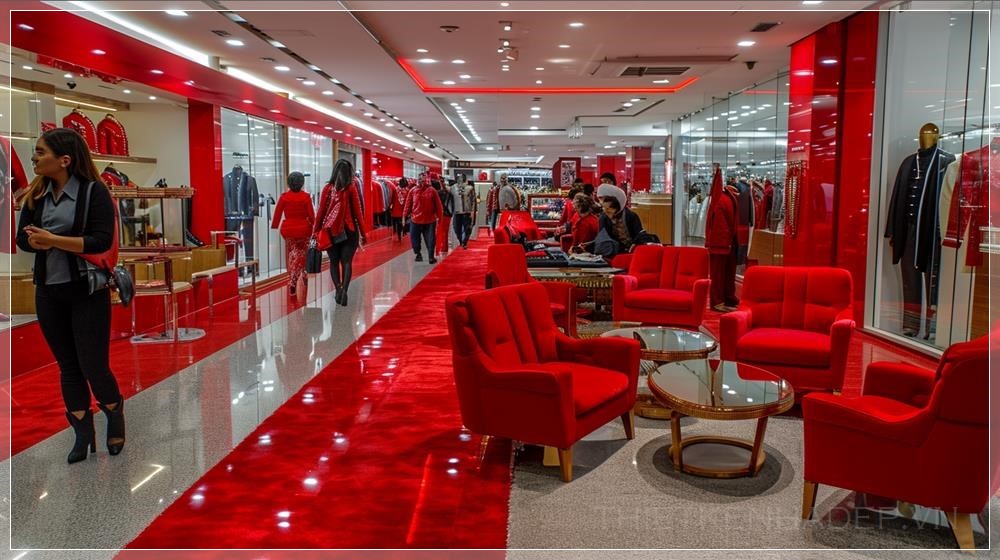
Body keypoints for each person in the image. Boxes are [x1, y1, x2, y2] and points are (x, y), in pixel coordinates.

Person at [16, 127, 124, 463]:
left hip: (87, 290)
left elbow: (100, 241)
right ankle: (82, 432)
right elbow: (21, 239)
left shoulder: (94, 192)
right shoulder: (36, 194)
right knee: (68, 366)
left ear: (64, 159)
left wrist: (52, 240)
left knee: (93, 364)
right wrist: (34, 241)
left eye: (41, 152)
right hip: (49, 291)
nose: (34, 158)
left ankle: (114, 414)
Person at [314, 159, 366, 307]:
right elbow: (358, 213)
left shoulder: (327, 189)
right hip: (350, 230)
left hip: (330, 231)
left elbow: (321, 212)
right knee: (347, 262)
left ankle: (338, 289)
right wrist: (363, 233)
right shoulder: (351, 188)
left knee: (334, 262)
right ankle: (344, 291)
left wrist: (315, 232)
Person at [271, 171, 314, 299]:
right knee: (303, 254)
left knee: (292, 254)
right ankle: (299, 276)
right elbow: (311, 215)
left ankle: (294, 277)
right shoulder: (306, 197)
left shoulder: (284, 197)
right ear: (302, 183)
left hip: (288, 230)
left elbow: (278, 213)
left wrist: (274, 225)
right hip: (304, 229)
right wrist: (315, 226)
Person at [596, 183, 644, 257]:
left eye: (609, 209)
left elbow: (639, 235)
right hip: (613, 252)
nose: (605, 211)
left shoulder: (630, 216)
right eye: (604, 208)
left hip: (633, 252)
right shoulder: (603, 218)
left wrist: (635, 244)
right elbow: (603, 237)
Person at [403, 174, 443, 263]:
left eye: (423, 179)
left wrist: (440, 217)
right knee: (414, 238)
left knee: (430, 239)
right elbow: (408, 205)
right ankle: (418, 254)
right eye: (420, 179)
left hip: (429, 220)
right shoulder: (413, 191)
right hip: (416, 220)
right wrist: (404, 216)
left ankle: (430, 256)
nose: (422, 181)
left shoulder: (432, 191)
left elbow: (438, 206)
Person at [450, 173, 476, 249]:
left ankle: (465, 242)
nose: (460, 179)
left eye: (461, 178)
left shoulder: (470, 188)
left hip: (467, 212)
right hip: (457, 212)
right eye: (458, 178)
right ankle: (460, 241)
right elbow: (450, 197)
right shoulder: (453, 188)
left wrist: (473, 211)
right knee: (456, 228)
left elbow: (473, 200)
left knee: (467, 228)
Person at [435, 179, 453, 256]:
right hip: (448, 214)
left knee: (440, 232)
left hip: (441, 214)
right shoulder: (450, 193)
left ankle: (440, 248)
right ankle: (444, 248)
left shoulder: (438, 193)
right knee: (445, 232)